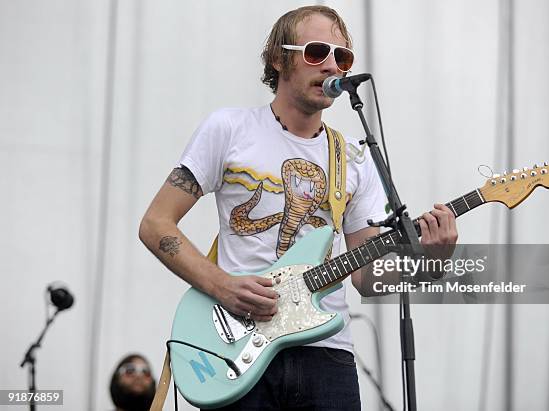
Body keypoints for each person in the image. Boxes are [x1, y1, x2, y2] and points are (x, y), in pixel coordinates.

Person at [139, 5, 458, 410]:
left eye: (341, 58)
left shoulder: (355, 159)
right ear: (278, 57)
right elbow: (155, 223)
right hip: (237, 345)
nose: (330, 66)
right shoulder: (230, 129)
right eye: (316, 52)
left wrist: (431, 264)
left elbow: (364, 277)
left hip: (326, 356)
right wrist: (221, 285)